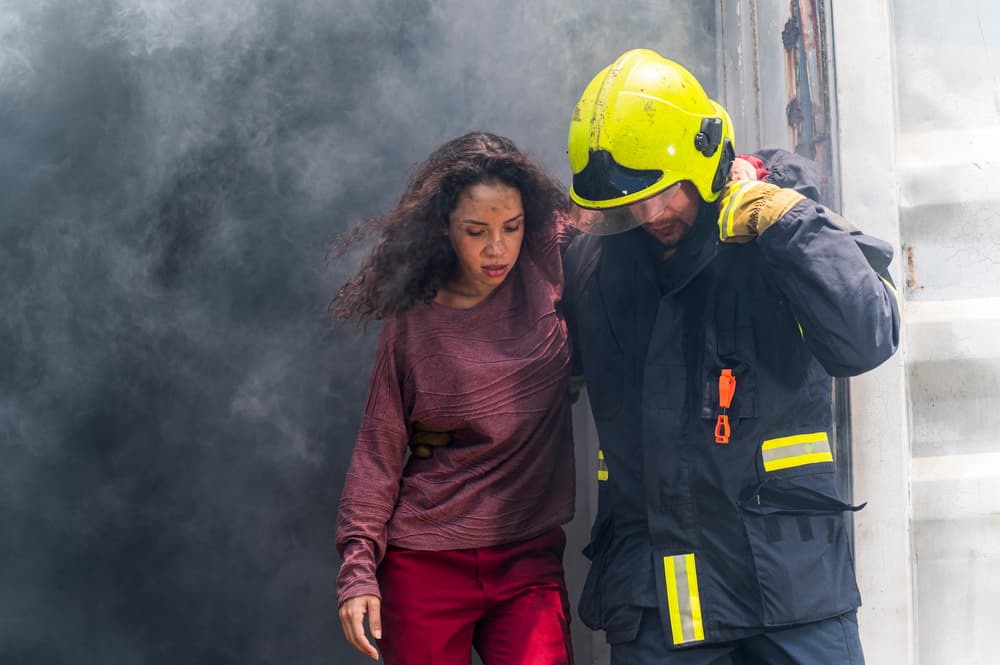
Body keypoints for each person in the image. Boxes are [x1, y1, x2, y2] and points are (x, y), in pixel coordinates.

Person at [562, 49, 900, 664]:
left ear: (700, 159)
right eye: (631, 202)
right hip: (658, 605)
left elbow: (866, 338)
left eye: (663, 194)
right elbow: (529, 376)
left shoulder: (785, 221)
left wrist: (788, 226)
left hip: (789, 589)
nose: (650, 214)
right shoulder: (594, 263)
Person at [333, 131, 577, 664]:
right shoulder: (413, 322)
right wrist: (357, 571)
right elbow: (378, 450)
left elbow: (634, 214)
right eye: (477, 231)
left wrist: (746, 172)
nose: (497, 248)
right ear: (446, 228)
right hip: (426, 561)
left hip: (527, 557)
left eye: (511, 227)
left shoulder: (546, 261)